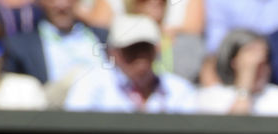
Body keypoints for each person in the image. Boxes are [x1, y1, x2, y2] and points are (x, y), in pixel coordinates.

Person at [63, 14, 199, 110]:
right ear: (113, 52)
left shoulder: (179, 90)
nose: (140, 57)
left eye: (145, 48)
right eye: (131, 49)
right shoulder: (91, 85)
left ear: (156, 50)